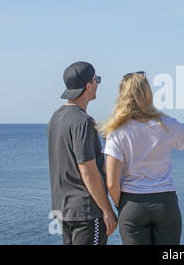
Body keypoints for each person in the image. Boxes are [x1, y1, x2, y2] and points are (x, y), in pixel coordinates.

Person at [100, 71, 184, 245]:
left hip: (132, 203)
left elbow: (111, 183)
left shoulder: (116, 132)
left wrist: (122, 206)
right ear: (148, 94)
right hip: (165, 203)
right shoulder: (167, 124)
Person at [47, 61, 117, 245]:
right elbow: (88, 171)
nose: (97, 84)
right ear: (88, 86)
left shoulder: (55, 118)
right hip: (86, 213)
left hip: (64, 210)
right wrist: (108, 210)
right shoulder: (83, 122)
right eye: (97, 80)